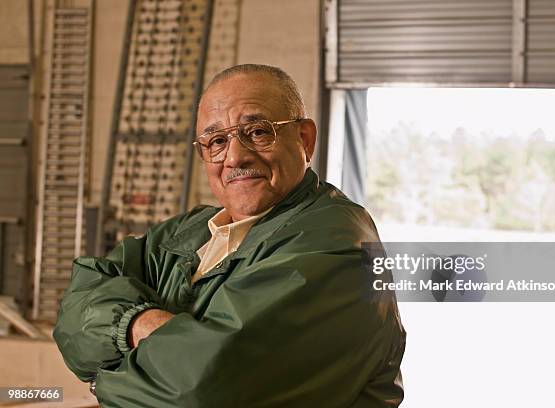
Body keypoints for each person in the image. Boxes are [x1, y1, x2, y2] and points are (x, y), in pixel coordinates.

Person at [53, 64, 405, 407]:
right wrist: (136, 323)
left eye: (258, 132)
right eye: (217, 141)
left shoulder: (337, 242)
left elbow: (206, 390)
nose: (235, 156)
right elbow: (76, 309)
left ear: (304, 138)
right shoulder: (189, 231)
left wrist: (105, 380)